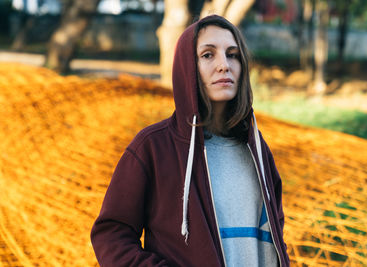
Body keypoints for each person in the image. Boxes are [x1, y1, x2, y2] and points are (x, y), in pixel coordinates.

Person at [91, 15, 290, 267]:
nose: (224, 65)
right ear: (187, 66)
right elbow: (111, 235)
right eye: (208, 55)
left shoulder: (257, 149)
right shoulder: (153, 147)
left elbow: (274, 233)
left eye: (233, 54)